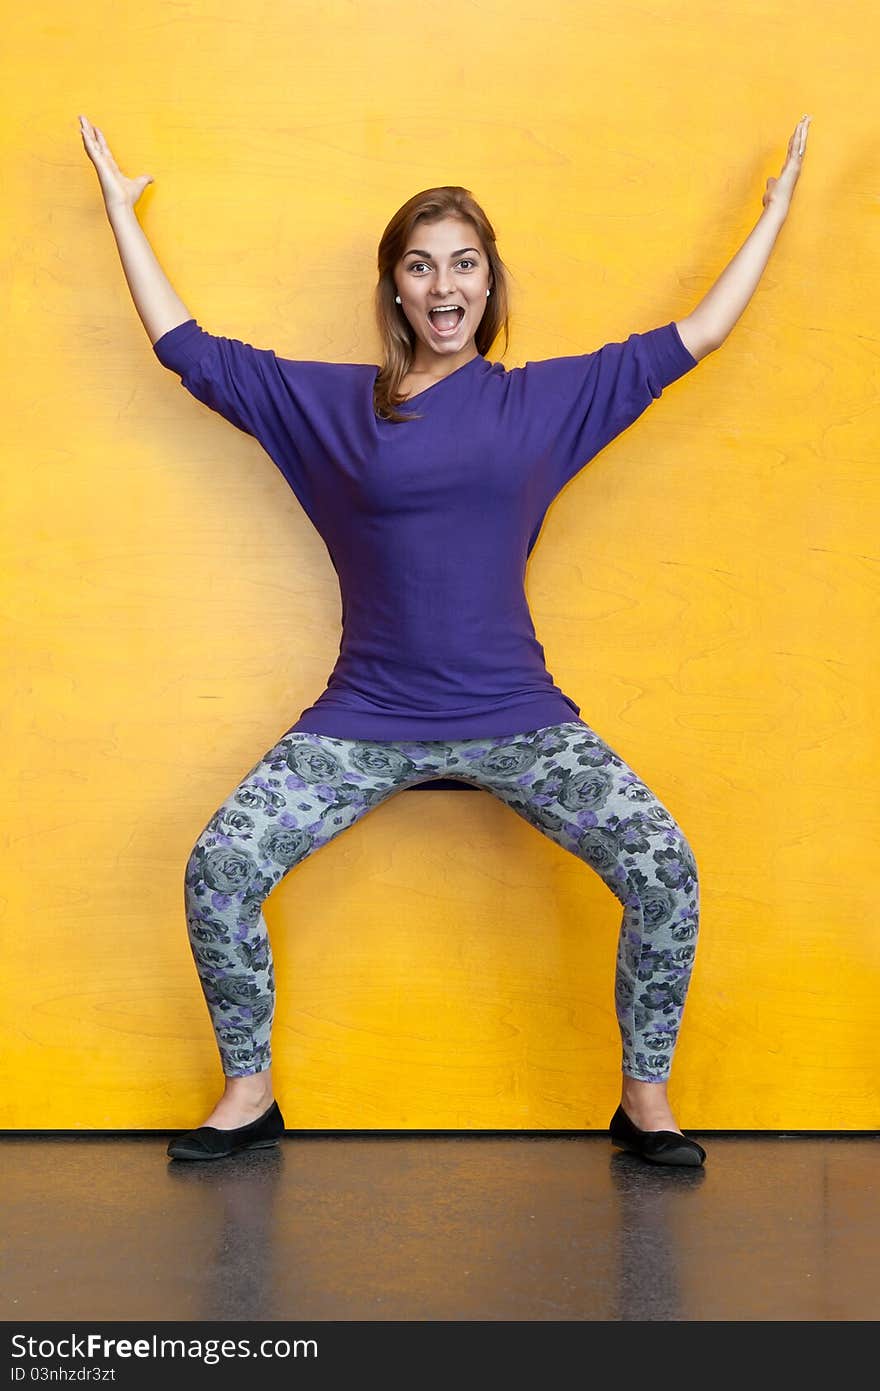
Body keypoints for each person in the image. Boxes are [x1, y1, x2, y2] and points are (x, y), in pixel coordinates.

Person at [79, 112, 811, 1167]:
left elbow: (694, 337)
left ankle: (645, 1100)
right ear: (395, 289)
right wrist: (119, 208)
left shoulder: (541, 403)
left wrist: (775, 212)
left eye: (463, 262)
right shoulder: (334, 407)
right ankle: (250, 1092)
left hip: (517, 718)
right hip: (367, 719)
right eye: (420, 266)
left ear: (488, 282)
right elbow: (184, 349)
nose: (443, 283)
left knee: (666, 868)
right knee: (220, 864)